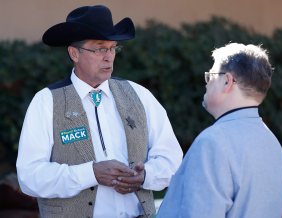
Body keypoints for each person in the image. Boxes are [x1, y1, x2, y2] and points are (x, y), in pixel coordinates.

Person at [16, 5, 182, 218]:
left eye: (113, 48)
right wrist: (90, 173)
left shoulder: (139, 95)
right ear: (74, 53)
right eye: (99, 48)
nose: (109, 57)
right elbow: (29, 177)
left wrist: (145, 175)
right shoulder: (46, 101)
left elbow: (173, 161)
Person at [157, 43, 282, 218]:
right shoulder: (273, 145)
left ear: (227, 81)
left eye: (211, 75)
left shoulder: (213, 143)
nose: (206, 83)